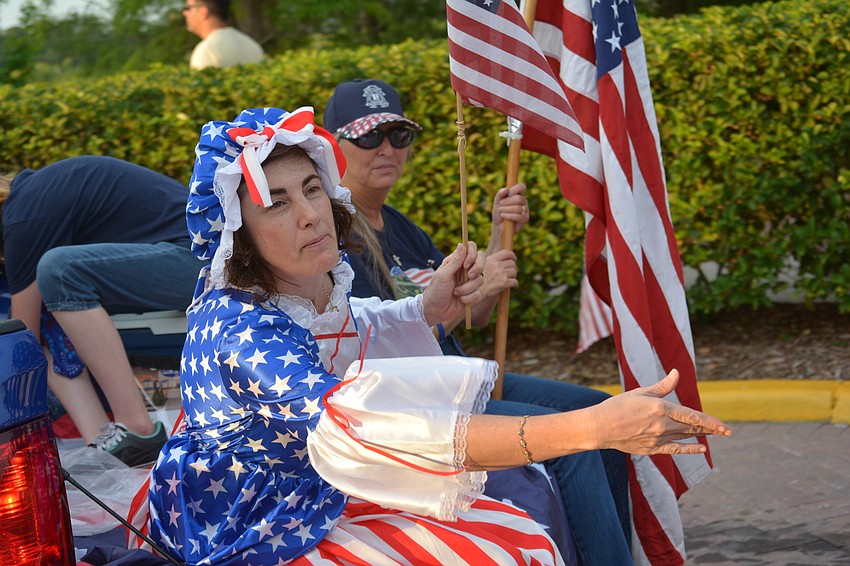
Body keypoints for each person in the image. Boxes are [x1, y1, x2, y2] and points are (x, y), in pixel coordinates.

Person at [144, 105, 731, 564]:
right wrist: (592, 429)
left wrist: (425, 308)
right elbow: (362, 427)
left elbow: (353, 323)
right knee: (506, 547)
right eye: (276, 204)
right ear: (238, 236)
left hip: (315, 485)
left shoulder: (304, 281)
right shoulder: (240, 329)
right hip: (256, 522)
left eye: (312, 188)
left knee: (516, 531)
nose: (309, 214)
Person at [323, 77, 632, 564]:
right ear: (334, 146)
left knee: (601, 412)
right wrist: (480, 289)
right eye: (368, 136)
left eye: (398, 135)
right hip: (421, 398)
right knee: (578, 439)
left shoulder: (398, 224)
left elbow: (471, 317)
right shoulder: (337, 236)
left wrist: (494, 239)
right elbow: (372, 349)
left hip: (460, 375)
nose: (386, 149)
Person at [0, 155, 206, 466]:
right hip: (188, 257)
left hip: (202, 262)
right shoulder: (35, 197)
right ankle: (102, 444)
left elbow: (21, 339)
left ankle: (136, 428)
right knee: (47, 318)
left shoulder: (24, 217)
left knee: (60, 271)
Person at [183, 0, 265, 71]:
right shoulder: (252, 45)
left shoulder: (207, 52)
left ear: (203, 12)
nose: (185, 13)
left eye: (188, 8)